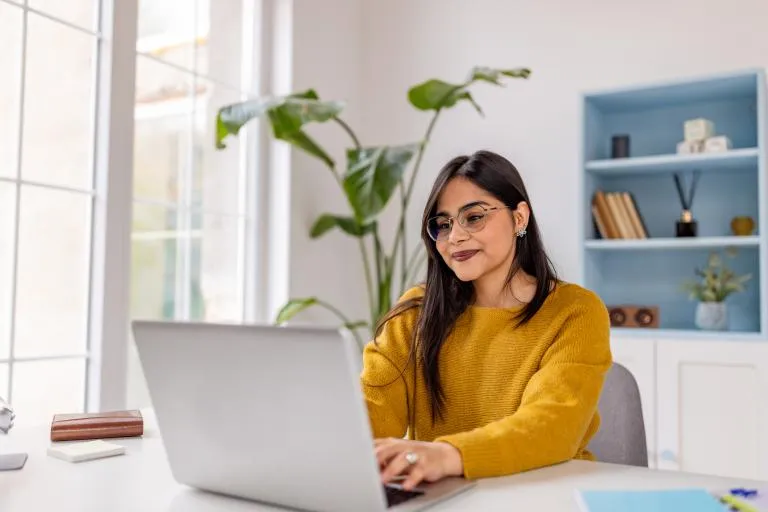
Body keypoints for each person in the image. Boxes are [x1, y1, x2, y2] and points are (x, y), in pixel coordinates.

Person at [361, 150, 612, 491]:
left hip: (548, 494)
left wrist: (448, 454)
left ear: (519, 218)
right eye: (443, 224)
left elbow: (552, 424)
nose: (455, 237)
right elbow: (372, 408)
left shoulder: (575, 311)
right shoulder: (416, 311)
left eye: (474, 217)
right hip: (447, 497)